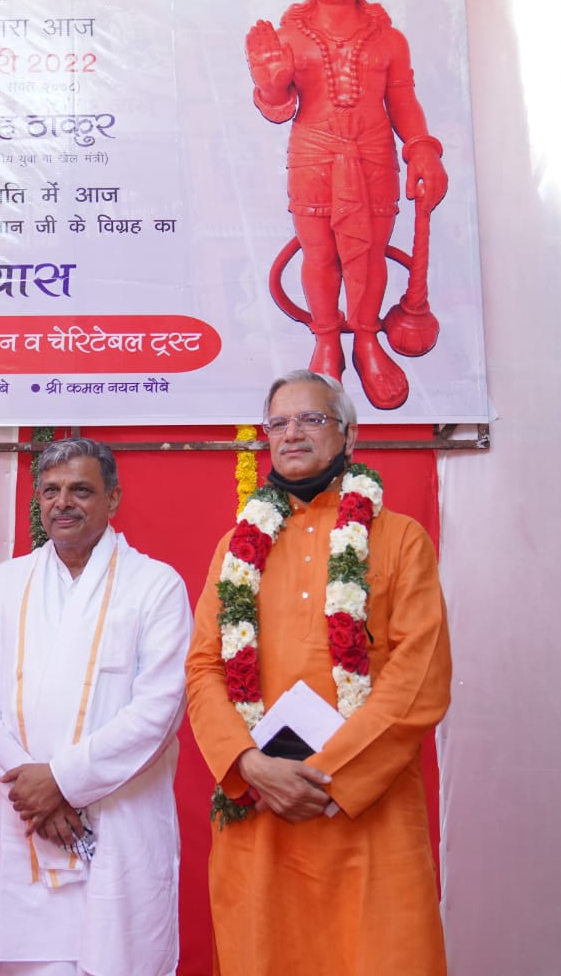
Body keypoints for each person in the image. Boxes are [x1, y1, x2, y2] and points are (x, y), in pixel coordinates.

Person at [186, 369, 452, 975]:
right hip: (260, 810)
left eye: (311, 419)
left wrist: (323, 775)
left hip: (368, 813)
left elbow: (420, 676)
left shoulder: (399, 539)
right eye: (277, 423)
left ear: (349, 435)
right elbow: (203, 668)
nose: (292, 433)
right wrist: (250, 766)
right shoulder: (236, 548)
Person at [0, 438, 192, 976]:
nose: (64, 503)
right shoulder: (4, 584)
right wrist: (34, 792)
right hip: (27, 823)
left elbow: (160, 710)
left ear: (113, 499)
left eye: (81, 490)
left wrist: (60, 780)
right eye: (51, 491)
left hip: (118, 830)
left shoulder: (155, 586)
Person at [246, 0, 450, 410]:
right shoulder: (289, 38)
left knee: (370, 256)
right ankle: (325, 341)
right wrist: (271, 83)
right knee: (320, 255)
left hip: (374, 157)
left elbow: (402, 101)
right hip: (314, 157)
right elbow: (281, 109)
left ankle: (366, 338)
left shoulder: (389, 40)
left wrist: (422, 148)